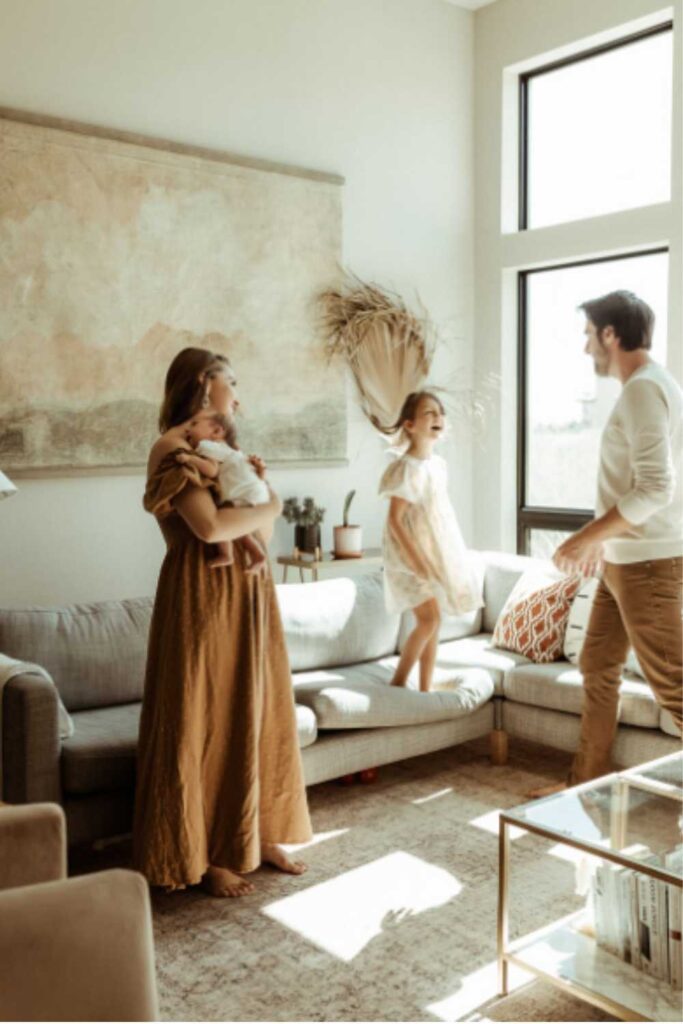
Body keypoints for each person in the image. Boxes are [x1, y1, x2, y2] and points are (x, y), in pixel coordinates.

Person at [133, 347, 312, 897]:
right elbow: (210, 529)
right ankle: (207, 854)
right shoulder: (170, 448)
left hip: (249, 594)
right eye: (231, 382)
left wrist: (261, 510)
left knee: (255, 710)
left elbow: (250, 528)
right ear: (205, 383)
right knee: (204, 717)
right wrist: (274, 505)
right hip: (200, 597)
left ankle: (254, 835)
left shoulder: (220, 447)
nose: (237, 395)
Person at [536, 290, 682, 795]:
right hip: (624, 560)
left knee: (675, 688)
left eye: (588, 336)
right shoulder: (647, 387)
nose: (585, 349)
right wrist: (605, 541)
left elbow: (657, 488)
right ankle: (586, 790)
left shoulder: (644, 389)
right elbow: (634, 487)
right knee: (597, 665)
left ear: (610, 335)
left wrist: (582, 538)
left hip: (648, 564)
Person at [378, 390, 483, 692]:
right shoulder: (406, 468)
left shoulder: (437, 465)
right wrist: (418, 560)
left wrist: (439, 555)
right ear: (410, 425)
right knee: (429, 619)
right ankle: (397, 685)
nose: (437, 418)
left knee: (433, 622)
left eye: (440, 413)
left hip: (430, 551)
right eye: (429, 413)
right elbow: (395, 521)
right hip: (407, 556)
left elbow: (437, 514)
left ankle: (424, 689)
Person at [176, 409, 268, 572]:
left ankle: (226, 554)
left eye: (194, 424)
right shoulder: (229, 449)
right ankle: (257, 554)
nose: (187, 429)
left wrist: (190, 458)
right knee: (238, 528)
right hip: (254, 491)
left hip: (244, 492)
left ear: (217, 431)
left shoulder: (207, 446)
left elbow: (211, 470)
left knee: (223, 520)